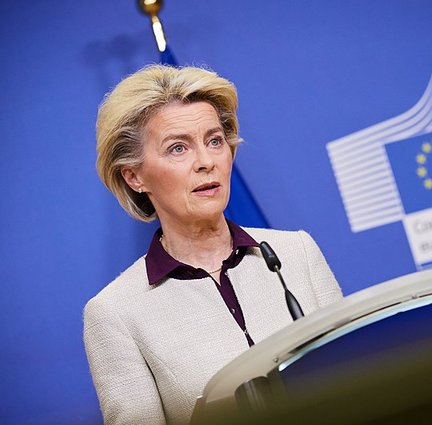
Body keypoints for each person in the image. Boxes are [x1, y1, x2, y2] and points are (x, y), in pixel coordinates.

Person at [83, 65, 342, 425]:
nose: (206, 162)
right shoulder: (115, 314)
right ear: (134, 176)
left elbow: (357, 378)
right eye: (178, 148)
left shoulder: (296, 253)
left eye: (215, 141)